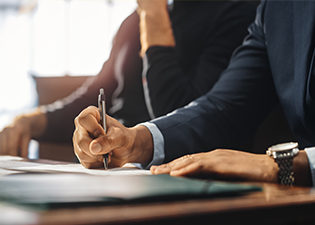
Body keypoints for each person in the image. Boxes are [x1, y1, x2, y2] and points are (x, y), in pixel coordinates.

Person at [73, 0, 315, 188]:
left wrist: (290, 165)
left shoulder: (233, 10)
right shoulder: (277, 7)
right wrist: (134, 141)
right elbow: (225, 107)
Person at [0, 1, 256, 157]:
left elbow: (181, 118)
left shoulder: (236, 15)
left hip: (172, 172)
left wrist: (154, 16)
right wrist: (33, 121)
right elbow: (95, 98)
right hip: (117, 165)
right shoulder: (133, 22)